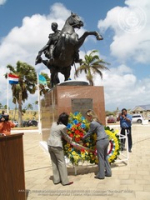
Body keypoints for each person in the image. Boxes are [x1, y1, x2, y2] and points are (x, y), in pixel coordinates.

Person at [82, 109, 112, 179]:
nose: (87, 118)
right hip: (106, 140)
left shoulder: (93, 123)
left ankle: (101, 175)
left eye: (87, 117)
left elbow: (89, 133)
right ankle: (108, 172)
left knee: (101, 158)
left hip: (100, 141)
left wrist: (83, 138)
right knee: (105, 157)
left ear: (90, 116)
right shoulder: (98, 121)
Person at [47, 112, 73, 186]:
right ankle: (65, 181)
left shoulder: (54, 124)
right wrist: (72, 140)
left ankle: (56, 180)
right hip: (57, 146)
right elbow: (66, 136)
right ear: (65, 120)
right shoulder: (63, 127)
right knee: (61, 162)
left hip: (49, 144)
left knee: (54, 162)